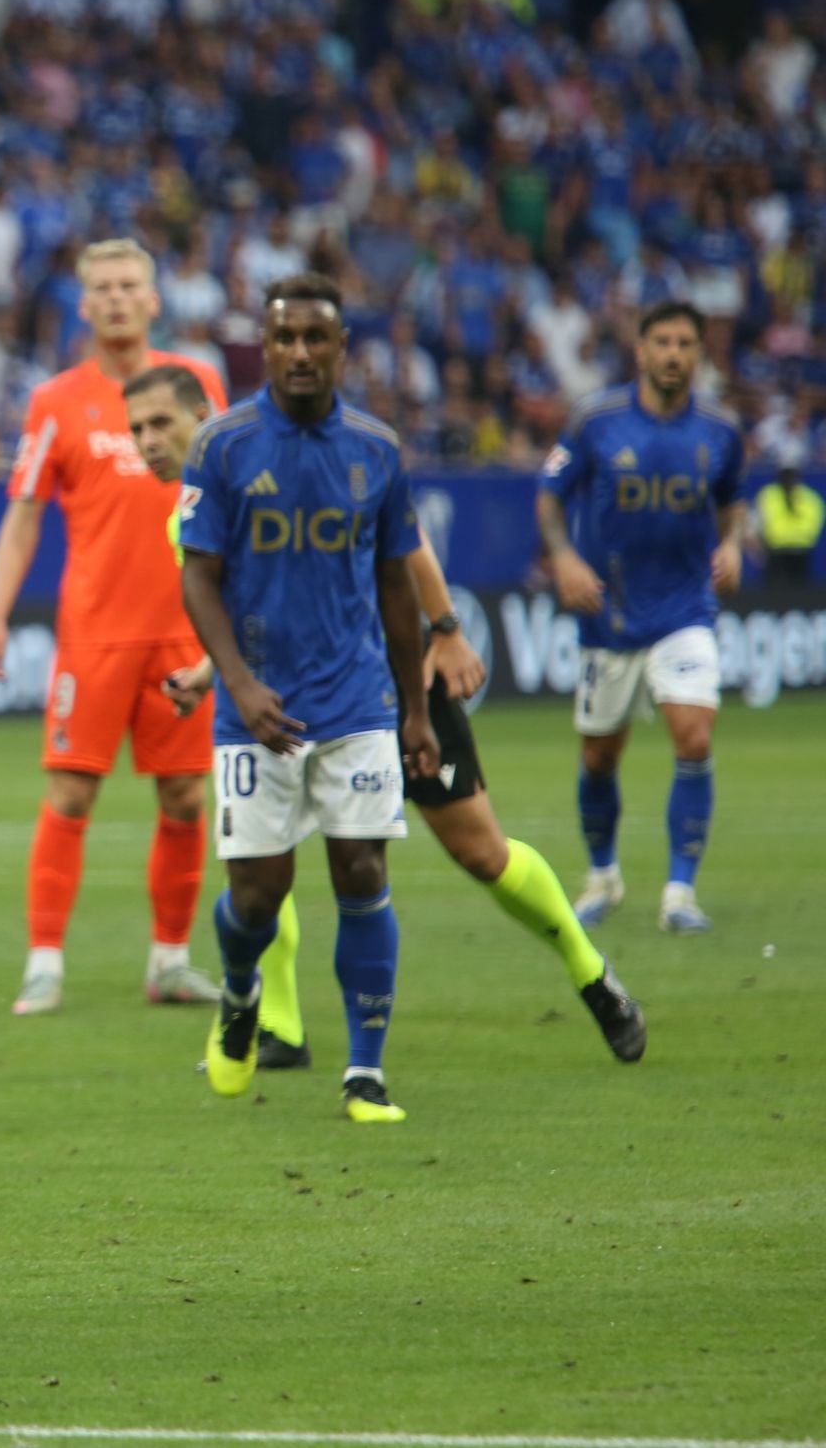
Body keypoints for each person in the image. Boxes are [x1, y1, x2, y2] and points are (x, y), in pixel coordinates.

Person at [185, 539, 648, 1070]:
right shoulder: (221, 483)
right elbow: (265, 591)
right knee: (262, 863)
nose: (146, 449)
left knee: (481, 852)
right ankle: (279, 1027)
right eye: (137, 444)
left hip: (387, 676)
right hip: (285, 687)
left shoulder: (345, 458)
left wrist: (445, 628)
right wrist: (211, 671)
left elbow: (408, 539)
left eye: (153, 444)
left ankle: (591, 974)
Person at [175, 272, 437, 1123]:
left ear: (340, 348)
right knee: (257, 895)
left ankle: (366, 1071)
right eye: (283, 337)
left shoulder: (378, 449)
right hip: (256, 710)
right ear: (266, 343)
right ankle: (242, 987)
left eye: (314, 338)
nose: (297, 352)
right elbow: (199, 579)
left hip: (356, 701)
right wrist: (241, 683)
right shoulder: (221, 447)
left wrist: (416, 709)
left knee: (362, 869)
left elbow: (398, 585)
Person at [0, 239, 232, 1018]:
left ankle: (171, 961)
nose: (117, 298)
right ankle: (45, 961)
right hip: (94, 632)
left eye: (130, 285)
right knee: (70, 791)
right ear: (83, 305)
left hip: (187, 630)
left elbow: (234, 495)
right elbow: (24, 514)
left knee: (187, 797)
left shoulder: (200, 385)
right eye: (103, 288)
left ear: (155, 299)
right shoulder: (57, 400)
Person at [536, 301, 747, 935]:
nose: (674, 354)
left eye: (686, 342)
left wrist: (733, 542)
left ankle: (680, 892)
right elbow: (550, 493)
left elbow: (732, 501)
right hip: (611, 613)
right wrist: (565, 558)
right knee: (599, 756)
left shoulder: (720, 429)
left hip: (685, 609)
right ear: (641, 351)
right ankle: (603, 874)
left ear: (699, 353)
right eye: (663, 342)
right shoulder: (596, 420)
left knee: (694, 736)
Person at [756, 465, 822, 588]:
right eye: (785, 476)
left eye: (791, 475)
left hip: (801, 550)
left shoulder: (809, 497)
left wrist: (797, 536)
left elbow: (813, 524)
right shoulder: (769, 495)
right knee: (774, 588)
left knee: (800, 588)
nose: (788, 480)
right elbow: (765, 521)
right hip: (776, 550)